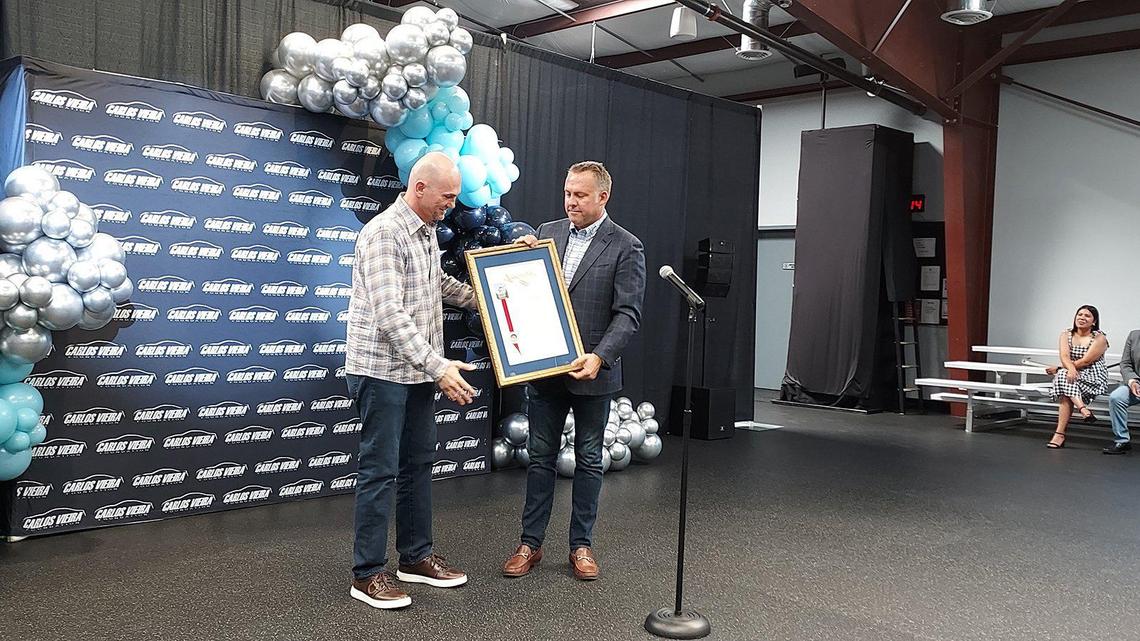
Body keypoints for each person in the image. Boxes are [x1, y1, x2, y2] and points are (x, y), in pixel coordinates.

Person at [345, 152, 479, 609]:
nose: (451, 206)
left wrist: (488, 295)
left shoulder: (424, 232)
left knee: (418, 463)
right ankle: (366, 575)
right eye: (447, 197)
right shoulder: (384, 232)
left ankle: (414, 558)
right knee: (380, 471)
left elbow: (434, 282)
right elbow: (390, 314)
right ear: (420, 188)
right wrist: (438, 365)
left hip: (417, 370)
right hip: (381, 371)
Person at [501, 161, 646, 581]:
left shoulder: (626, 246)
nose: (571, 202)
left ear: (603, 197)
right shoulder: (548, 232)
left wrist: (600, 356)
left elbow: (628, 315)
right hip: (545, 371)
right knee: (540, 458)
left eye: (580, 195)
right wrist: (520, 260)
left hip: (593, 374)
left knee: (588, 460)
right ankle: (530, 544)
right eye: (567, 193)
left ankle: (581, 546)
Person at [1044, 305, 1109, 448]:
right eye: (1080, 314)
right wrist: (1069, 369)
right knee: (1065, 380)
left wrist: (1065, 369)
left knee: (1063, 377)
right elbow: (1064, 356)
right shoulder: (1065, 334)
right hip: (1072, 375)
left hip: (1093, 375)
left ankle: (1059, 434)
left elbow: (1086, 361)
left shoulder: (1100, 338)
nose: (1082, 318)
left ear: (1094, 321)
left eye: (1087, 316)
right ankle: (1083, 410)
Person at [1105, 329, 1140, 455]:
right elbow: (1125, 364)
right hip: (1137, 382)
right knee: (1116, 398)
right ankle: (1123, 440)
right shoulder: (1134, 335)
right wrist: (1132, 381)